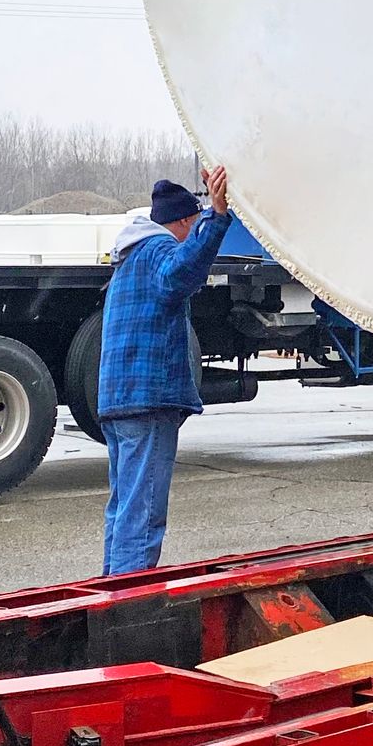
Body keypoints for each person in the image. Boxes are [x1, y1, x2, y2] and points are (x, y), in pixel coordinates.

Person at [98, 168, 231, 576]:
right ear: (184, 222)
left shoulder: (130, 257)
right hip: (148, 398)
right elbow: (180, 274)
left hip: (119, 400)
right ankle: (129, 609)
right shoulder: (158, 250)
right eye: (193, 225)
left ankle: (111, 589)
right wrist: (218, 216)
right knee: (142, 514)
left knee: (124, 508)